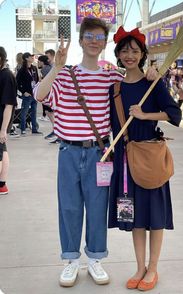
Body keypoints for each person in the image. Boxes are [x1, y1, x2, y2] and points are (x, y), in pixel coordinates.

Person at [34, 17, 124, 287]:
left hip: (99, 153)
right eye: (89, 36)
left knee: (97, 207)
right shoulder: (65, 74)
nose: (94, 41)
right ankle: (71, 260)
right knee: (70, 208)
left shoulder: (111, 76)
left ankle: (95, 258)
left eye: (99, 37)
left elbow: (134, 84)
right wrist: (56, 68)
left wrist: (151, 73)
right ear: (82, 40)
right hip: (69, 152)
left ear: (104, 41)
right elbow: (39, 95)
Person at [108, 27, 182, 291]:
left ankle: (153, 268)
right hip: (125, 163)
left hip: (149, 159)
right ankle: (139, 267)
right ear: (117, 54)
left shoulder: (153, 84)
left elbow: (174, 114)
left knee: (155, 215)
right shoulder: (114, 88)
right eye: (124, 50)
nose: (129, 55)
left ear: (142, 55)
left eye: (135, 51)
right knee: (134, 216)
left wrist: (144, 116)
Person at [0, 47, 17, 195]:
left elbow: (9, 105)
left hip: (1, 122)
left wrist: (3, 129)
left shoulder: (6, 76)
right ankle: (2, 185)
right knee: (2, 150)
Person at [16, 52, 42, 135]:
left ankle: (34, 129)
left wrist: (38, 91)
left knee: (34, 112)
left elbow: (37, 80)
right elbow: (17, 83)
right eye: (31, 56)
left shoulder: (34, 68)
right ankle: (23, 129)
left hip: (34, 94)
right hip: (27, 95)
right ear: (26, 58)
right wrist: (24, 92)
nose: (33, 57)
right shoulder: (22, 70)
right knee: (24, 112)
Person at [37, 55, 56, 140]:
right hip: (51, 93)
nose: (38, 63)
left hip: (48, 94)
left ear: (41, 62)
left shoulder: (45, 69)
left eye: (39, 61)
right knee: (49, 112)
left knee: (49, 112)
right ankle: (55, 129)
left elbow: (46, 82)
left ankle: (55, 130)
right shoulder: (50, 67)